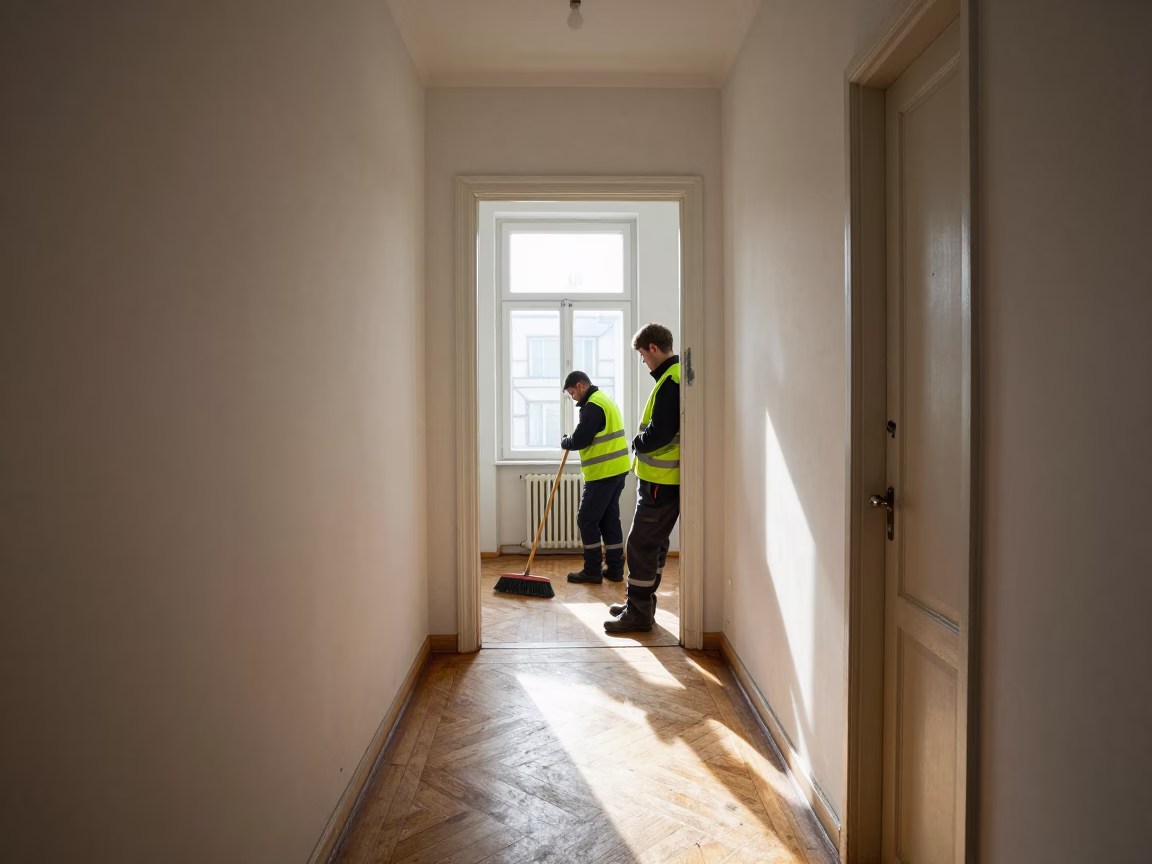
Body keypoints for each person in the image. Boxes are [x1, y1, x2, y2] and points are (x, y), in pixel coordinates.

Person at [605, 323, 681, 634]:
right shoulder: (670, 377)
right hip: (660, 481)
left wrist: (638, 442)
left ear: (652, 348)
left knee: (640, 545)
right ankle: (641, 604)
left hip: (660, 484)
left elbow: (661, 432)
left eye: (641, 355)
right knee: (653, 545)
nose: (643, 362)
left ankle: (638, 613)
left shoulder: (672, 381)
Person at [560, 371, 631, 584]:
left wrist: (567, 441)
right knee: (609, 520)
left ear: (580, 386)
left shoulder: (593, 405)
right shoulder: (605, 400)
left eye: (572, 392)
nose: (572, 397)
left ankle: (592, 569)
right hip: (617, 470)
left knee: (586, 519)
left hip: (603, 472)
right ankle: (615, 569)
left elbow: (582, 438)